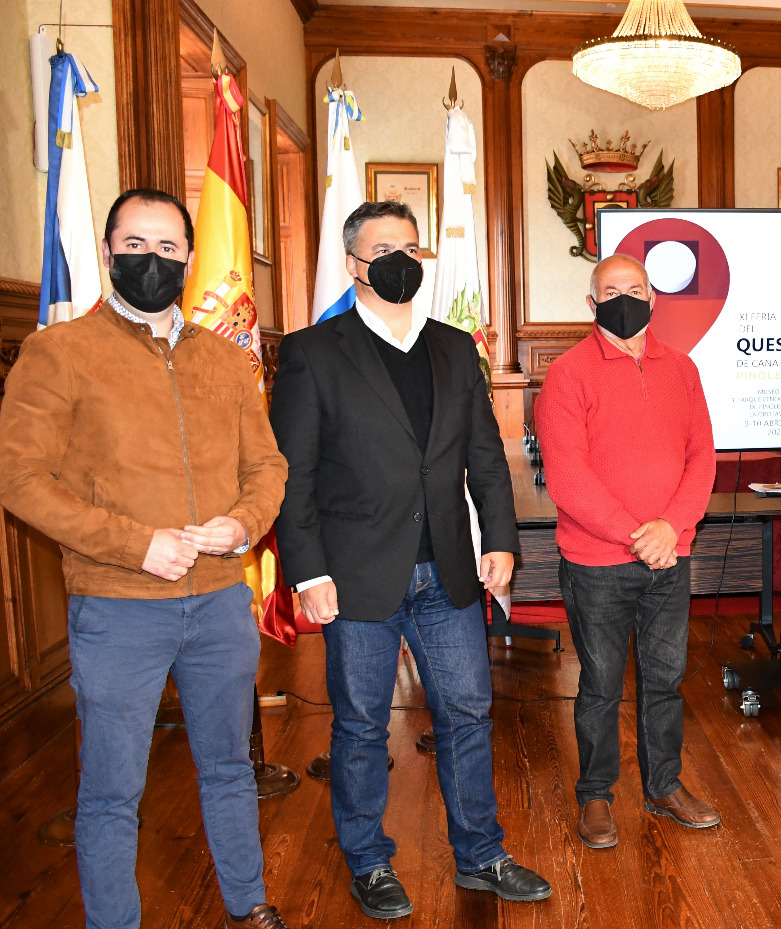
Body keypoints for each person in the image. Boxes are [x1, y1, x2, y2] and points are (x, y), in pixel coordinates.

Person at [0, 189, 290, 929]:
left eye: (167, 247)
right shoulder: (58, 352)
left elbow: (267, 467)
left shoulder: (224, 359)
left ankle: (249, 903)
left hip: (220, 601)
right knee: (111, 791)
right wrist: (137, 544)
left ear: (189, 260)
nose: (151, 259)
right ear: (107, 252)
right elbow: (20, 478)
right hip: (118, 606)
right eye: (135, 244)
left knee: (230, 767)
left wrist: (241, 524)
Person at [271, 200, 549, 919]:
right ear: (353, 265)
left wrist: (499, 539)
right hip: (354, 576)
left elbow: (485, 455)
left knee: (468, 713)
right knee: (362, 725)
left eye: (410, 248)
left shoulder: (456, 348)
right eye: (383, 249)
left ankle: (482, 853)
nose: (401, 260)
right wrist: (309, 572)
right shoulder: (312, 352)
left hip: (449, 571)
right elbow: (292, 476)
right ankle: (369, 861)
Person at [534, 253, 720, 850]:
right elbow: (568, 478)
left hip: (670, 558)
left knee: (665, 682)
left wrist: (671, 529)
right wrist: (638, 535)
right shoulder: (568, 375)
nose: (624, 300)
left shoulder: (683, 369)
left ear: (653, 297)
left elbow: (702, 459)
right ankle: (595, 794)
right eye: (611, 292)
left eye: (635, 289)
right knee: (600, 685)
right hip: (597, 564)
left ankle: (663, 786)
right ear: (592, 304)